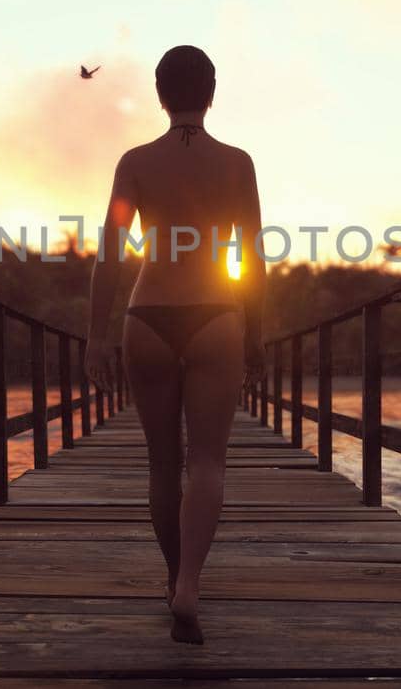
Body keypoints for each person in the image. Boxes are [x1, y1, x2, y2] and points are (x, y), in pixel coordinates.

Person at [84, 45, 266, 644]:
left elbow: (111, 251)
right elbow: (253, 256)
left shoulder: (135, 161)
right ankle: (190, 582)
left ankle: (171, 579)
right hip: (218, 314)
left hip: (149, 315)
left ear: (161, 95)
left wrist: (95, 335)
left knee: (163, 463)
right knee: (208, 460)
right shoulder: (238, 163)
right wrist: (257, 334)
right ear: (211, 93)